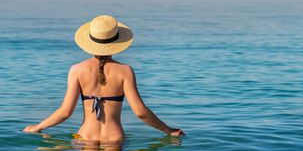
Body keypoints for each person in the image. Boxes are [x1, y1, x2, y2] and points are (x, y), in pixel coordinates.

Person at [23, 15, 185, 140]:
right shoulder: (125, 71)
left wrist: (37, 127)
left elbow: (65, 112)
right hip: (115, 139)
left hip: (85, 138)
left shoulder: (77, 70)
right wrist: (168, 130)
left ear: (90, 41)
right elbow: (141, 112)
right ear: (116, 42)